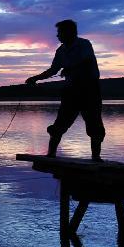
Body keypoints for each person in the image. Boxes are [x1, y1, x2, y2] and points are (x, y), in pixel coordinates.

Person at [26, 19, 105, 161]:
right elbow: (53, 70)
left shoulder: (84, 44)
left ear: (69, 32)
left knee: (94, 125)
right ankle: (51, 155)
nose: (57, 36)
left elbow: (86, 60)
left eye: (59, 33)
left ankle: (96, 158)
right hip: (71, 91)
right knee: (60, 124)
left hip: (90, 90)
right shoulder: (60, 51)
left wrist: (70, 68)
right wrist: (35, 78)